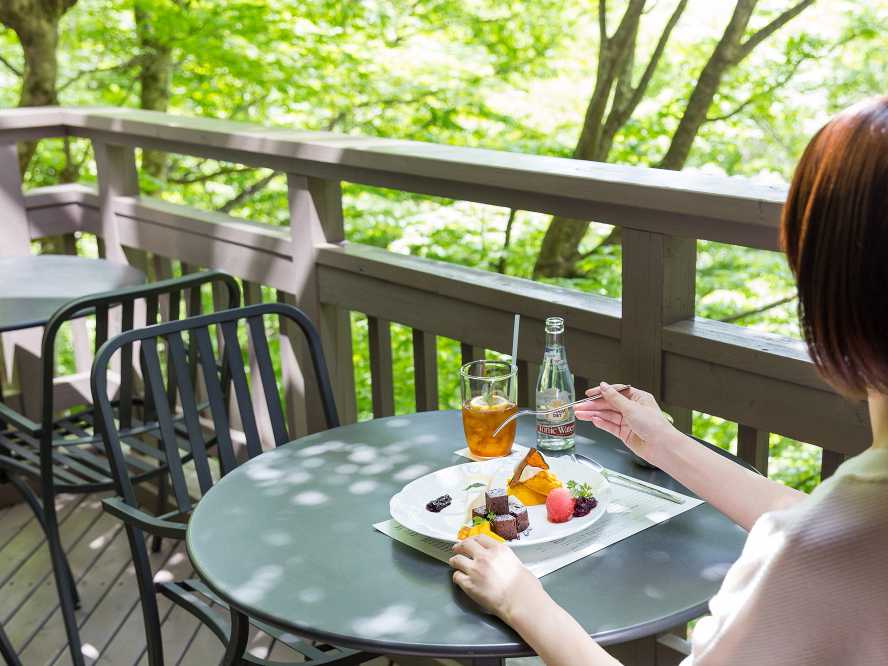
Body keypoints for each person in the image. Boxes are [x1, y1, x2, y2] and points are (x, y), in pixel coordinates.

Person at [448, 96, 888, 665]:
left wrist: (522, 601)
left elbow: (823, 541)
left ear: (839, 286)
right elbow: (821, 520)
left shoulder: (817, 557)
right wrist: (663, 443)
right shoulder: (851, 522)